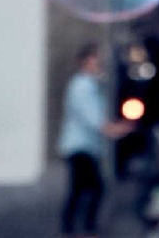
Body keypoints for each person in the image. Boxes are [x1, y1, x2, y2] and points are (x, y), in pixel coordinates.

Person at [60, 45, 132, 237]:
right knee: (93, 188)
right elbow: (93, 118)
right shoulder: (83, 87)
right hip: (80, 147)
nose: (98, 67)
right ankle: (83, 227)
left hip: (84, 147)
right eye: (94, 63)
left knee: (80, 189)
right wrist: (117, 129)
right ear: (83, 64)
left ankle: (73, 227)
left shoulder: (87, 85)